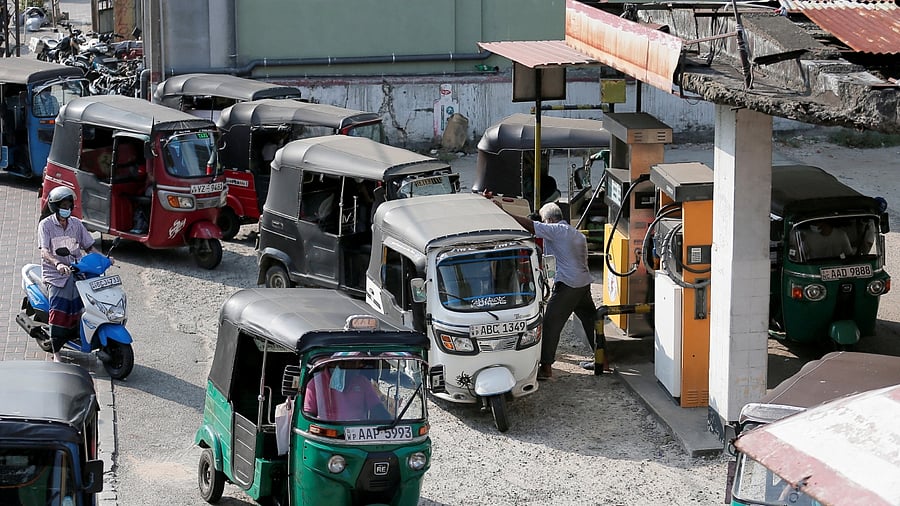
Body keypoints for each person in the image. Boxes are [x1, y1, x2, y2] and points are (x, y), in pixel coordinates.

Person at [499, 199, 596, 380]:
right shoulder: (575, 233)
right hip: (583, 283)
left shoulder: (557, 230)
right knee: (591, 321)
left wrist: (505, 213)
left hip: (568, 284)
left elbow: (531, 225)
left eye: (544, 222)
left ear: (549, 220)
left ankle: (546, 368)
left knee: (550, 324)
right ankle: (602, 360)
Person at [38, 187, 95, 363]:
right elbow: (44, 251)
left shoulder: (76, 224)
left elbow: (89, 246)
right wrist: (58, 263)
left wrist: (105, 259)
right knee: (59, 310)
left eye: (69, 204)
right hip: (56, 275)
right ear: (55, 207)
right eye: (63, 205)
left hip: (77, 271)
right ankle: (56, 352)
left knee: (88, 302)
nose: (67, 208)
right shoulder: (45, 225)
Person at [302, 360, 390, 421]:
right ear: (337, 363)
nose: (358, 366)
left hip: (357, 435)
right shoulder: (315, 383)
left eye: (358, 363)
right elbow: (308, 415)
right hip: (328, 437)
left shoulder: (362, 382)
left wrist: (391, 425)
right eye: (352, 362)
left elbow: (378, 409)